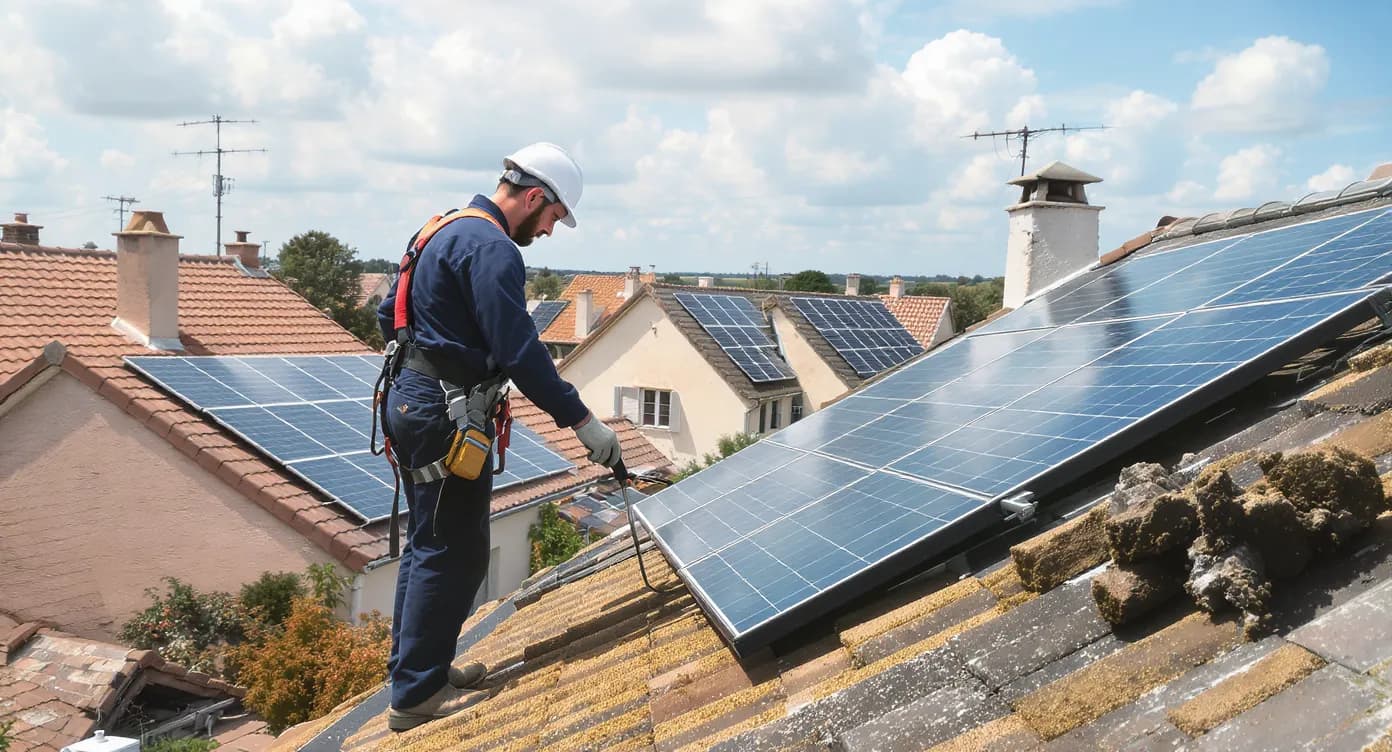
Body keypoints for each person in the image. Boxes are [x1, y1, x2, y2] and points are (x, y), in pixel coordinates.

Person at [376, 142, 622, 732]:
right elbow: (520, 351)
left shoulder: (440, 229)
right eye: (554, 218)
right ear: (535, 197)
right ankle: (415, 695)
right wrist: (582, 422)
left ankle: (420, 669)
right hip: (443, 413)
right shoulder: (492, 249)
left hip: (410, 399)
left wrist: (431, 361)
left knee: (427, 544)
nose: (550, 231)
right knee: (454, 553)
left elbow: (390, 313)